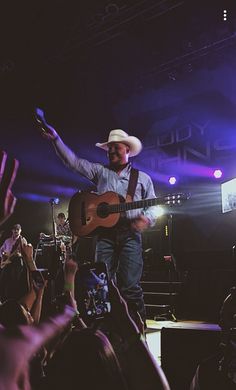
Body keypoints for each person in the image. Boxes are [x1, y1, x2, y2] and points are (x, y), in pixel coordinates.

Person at [35, 108, 158, 324]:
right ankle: (107, 333)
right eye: (109, 149)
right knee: (101, 285)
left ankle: (138, 333)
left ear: (127, 149)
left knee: (130, 286)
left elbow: (153, 206)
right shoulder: (100, 172)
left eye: (115, 148)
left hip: (130, 235)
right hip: (105, 236)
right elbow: (73, 162)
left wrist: (147, 219)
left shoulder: (143, 179)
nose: (111, 152)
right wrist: (56, 139)